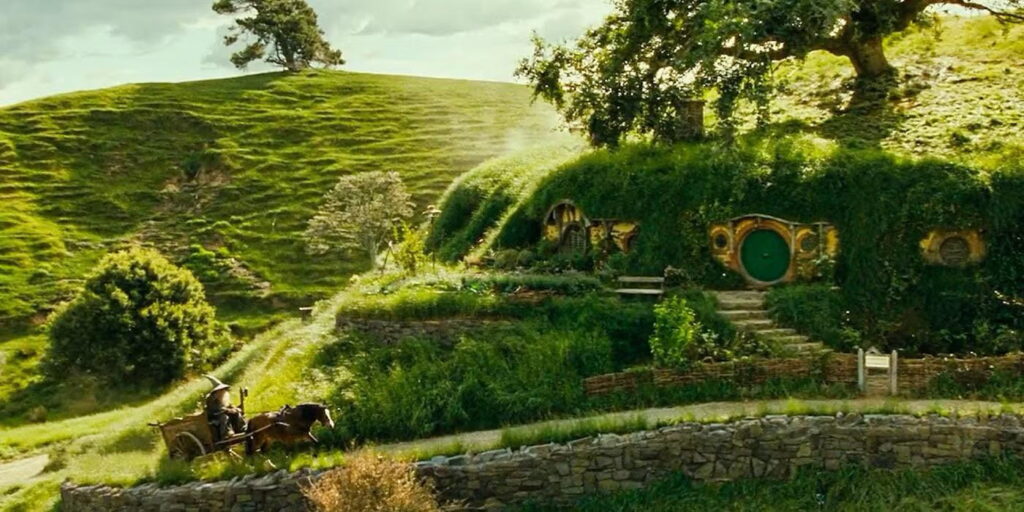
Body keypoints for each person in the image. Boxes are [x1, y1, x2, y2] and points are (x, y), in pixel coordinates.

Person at [204, 375, 246, 443]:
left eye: (223, 389)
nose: (223, 391)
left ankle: (241, 428)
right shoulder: (210, 399)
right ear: (216, 391)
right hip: (215, 417)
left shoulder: (223, 397)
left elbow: (228, 405)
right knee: (224, 417)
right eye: (221, 390)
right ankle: (226, 434)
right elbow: (217, 409)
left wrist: (235, 408)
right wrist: (229, 410)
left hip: (222, 413)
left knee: (236, 413)